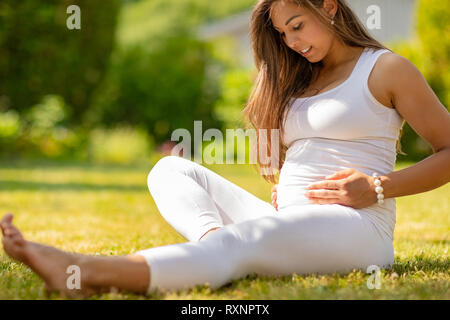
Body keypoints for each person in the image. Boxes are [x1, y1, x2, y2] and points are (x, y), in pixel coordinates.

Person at [1, 0, 449, 298]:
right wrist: (290, 188)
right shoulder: (302, 77)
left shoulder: (386, 69)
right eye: (283, 33)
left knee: (244, 242)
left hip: (357, 230)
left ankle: (86, 273)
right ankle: (214, 250)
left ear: (328, 6)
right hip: (291, 220)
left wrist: (377, 186)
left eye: (298, 25)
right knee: (169, 171)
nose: (292, 42)